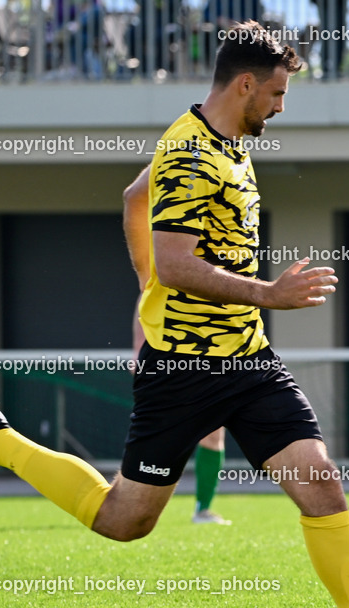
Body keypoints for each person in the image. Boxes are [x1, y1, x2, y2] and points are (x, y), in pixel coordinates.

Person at [0, 21, 349, 608]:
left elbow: (134, 199)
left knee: (320, 481)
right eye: (275, 92)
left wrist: (145, 284)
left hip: (250, 360)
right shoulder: (190, 154)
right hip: (182, 370)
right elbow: (178, 262)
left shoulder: (228, 141)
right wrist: (260, 293)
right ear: (244, 84)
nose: (280, 105)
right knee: (125, 521)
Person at [125, 166, 231, 525]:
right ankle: (129, 497)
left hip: (214, 358)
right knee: (165, 436)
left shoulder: (215, 256)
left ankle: (203, 508)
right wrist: (140, 352)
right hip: (170, 360)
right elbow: (144, 307)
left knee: (213, 435)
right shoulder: (167, 262)